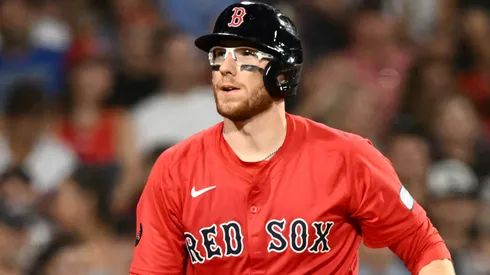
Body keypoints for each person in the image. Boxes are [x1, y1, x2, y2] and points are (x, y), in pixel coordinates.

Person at [129, 2, 454, 274]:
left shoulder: (346, 156)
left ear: (283, 72)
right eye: (218, 54)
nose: (225, 68)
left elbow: (424, 246)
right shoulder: (175, 169)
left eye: (244, 54)